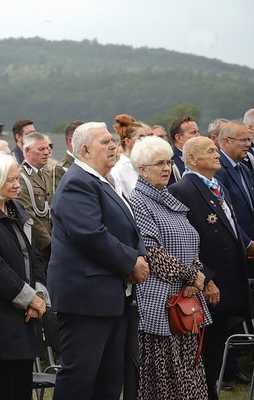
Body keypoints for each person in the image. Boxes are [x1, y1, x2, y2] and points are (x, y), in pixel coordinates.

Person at [47, 122, 149, 400]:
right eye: (105, 142)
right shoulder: (77, 182)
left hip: (110, 297)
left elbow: (128, 228)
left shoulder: (103, 181)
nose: (113, 145)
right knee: (81, 378)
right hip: (86, 300)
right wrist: (131, 262)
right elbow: (90, 234)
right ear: (84, 150)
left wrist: (139, 255)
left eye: (112, 140)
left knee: (108, 379)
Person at [127, 135, 211, 399]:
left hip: (186, 298)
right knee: (165, 377)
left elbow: (192, 242)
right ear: (142, 169)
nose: (166, 168)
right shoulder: (139, 200)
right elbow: (153, 254)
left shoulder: (169, 198)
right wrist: (193, 276)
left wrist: (195, 278)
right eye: (159, 163)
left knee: (189, 370)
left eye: (169, 162)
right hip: (160, 303)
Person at [169, 136, 251, 399]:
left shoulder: (216, 186)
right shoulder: (183, 189)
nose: (217, 154)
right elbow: (183, 240)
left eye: (216, 150)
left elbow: (230, 230)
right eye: (210, 151)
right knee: (208, 353)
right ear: (192, 159)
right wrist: (207, 279)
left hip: (231, 279)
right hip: (209, 284)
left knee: (217, 352)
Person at [0, 152, 48, 400]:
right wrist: (29, 299)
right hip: (1, 317)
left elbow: (34, 255)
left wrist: (38, 296)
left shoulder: (16, 208)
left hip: (25, 316)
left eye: (16, 178)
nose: (17, 184)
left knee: (21, 387)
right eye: (10, 180)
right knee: (1, 387)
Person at [17, 132, 54, 267]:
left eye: (47, 148)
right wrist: (49, 243)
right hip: (40, 246)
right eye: (41, 149)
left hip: (55, 241)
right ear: (27, 151)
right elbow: (28, 214)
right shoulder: (21, 178)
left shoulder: (47, 173)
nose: (46, 153)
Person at [214, 121, 254, 246]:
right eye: (243, 140)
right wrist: (247, 244)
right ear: (227, 141)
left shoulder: (244, 168)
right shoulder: (217, 169)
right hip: (238, 245)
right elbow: (225, 212)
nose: (248, 144)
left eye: (249, 139)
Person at [111, 114, 152, 197]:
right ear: (128, 142)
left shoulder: (148, 164)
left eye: (146, 137)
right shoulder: (118, 172)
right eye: (141, 138)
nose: (145, 141)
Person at [52, 120, 84, 193]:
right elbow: (57, 200)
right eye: (83, 138)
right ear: (70, 140)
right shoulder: (60, 169)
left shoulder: (90, 164)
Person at [168, 116, 201, 185]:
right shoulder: (170, 162)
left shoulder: (201, 157)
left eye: (198, 131)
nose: (199, 136)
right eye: (193, 132)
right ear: (179, 138)